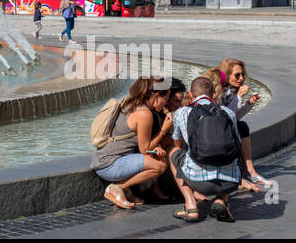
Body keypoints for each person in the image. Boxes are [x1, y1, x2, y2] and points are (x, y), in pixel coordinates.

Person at [168, 75, 244, 223]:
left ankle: (191, 206)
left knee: (173, 153)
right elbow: (237, 145)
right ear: (213, 95)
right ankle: (221, 200)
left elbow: (177, 144)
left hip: (197, 181)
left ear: (190, 94)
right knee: (227, 152)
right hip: (230, 182)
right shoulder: (228, 113)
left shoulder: (182, 113)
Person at [90, 76, 170, 209]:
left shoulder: (130, 103)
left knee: (155, 157)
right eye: (165, 99)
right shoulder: (144, 114)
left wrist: (156, 148)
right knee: (160, 165)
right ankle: (117, 188)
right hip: (110, 164)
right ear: (157, 96)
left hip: (102, 159)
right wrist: (163, 130)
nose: (165, 104)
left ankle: (125, 189)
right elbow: (145, 149)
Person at [219, 58, 271, 189]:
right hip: (215, 130)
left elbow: (234, 117)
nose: (241, 78)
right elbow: (224, 117)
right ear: (227, 75)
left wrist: (248, 105)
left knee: (242, 126)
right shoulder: (219, 90)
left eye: (242, 75)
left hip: (223, 126)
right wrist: (239, 97)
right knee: (239, 127)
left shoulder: (232, 90)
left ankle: (250, 170)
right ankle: (243, 173)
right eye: (237, 75)